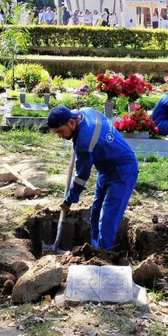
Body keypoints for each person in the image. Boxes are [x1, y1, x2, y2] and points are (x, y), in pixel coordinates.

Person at [47, 105, 139, 251]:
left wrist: (69, 200)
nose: (59, 136)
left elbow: (81, 177)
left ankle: (104, 257)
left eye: (60, 131)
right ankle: (96, 250)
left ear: (71, 123)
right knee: (95, 215)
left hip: (123, 171)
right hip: (105, 169)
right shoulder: (86, 111)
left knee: (107, 220)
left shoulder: (84, 142)